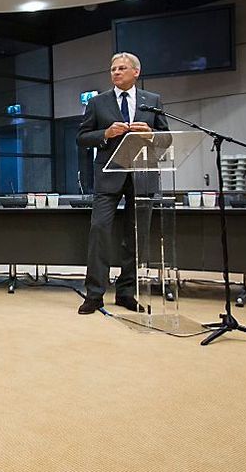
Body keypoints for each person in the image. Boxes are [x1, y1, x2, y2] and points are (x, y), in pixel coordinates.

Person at [76, 52, 170, 315]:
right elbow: (82, 138)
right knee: (99, 232)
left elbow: (167, 139)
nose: (116, 72)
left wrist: (151, 133)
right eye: (113, 69)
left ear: (136, 72)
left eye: (121, 68)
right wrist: (105, 134)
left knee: (135, 238)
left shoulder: (153, 101)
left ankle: (126, 293)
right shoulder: (97, 102)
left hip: (142, 176)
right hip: (108, 177)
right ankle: (94, 295)